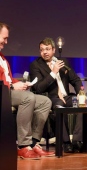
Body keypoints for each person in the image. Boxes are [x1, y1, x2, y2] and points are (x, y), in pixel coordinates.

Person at [0, 22, 54, 159]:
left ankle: (33, 143)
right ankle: (23, 145)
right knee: (28, 97)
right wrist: (12, 87)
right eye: (4, 38)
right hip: (3, 93)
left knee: (45, 101)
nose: (6, 42)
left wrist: (22, 84)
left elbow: (9, 78)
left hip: (9, 91)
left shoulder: (2, 58)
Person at [29, 37, 85, 153]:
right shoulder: (36, 65)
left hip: (67, 96)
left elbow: (75, 80)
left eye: (47, 49)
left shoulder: (62, 62)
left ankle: (77, 140)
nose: (45, 52)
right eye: (42, 50)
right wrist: (53, 72)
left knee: (83, 103)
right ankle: (65, 142)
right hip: (50, 98)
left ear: (53, 50)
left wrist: (80, 93)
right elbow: (38, 87)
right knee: (59, 106)